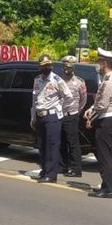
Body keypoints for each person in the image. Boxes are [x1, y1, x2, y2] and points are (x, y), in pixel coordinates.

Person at [84, 48, 112, 199]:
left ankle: (109, 189)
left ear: (104, 63)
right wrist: (90, 108)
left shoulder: (109, 81)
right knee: (105, 155)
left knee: (104, 155)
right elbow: (99, 102)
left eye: (99, 62)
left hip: (106, 120)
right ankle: (107, 186)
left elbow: (103, 105)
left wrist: (91, 117)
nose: (97, 64)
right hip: (106, 119)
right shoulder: (106, 79)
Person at [30, 54, 72, 183]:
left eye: (48, 65)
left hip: (52, 116)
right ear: (39, 67)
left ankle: (52, 174)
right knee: (42, 145)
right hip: (40, 115)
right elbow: (34, 100)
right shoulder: (37, 80)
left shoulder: (57, 80)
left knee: (52, 146)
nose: (46, 68)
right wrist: (33, 117)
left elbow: (68, 97)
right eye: (43, 66)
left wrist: (60, 110)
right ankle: (44, 171)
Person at [59, 55, 87, 177]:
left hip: (72, 115)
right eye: (65, 67)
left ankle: (76, 169)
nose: (67, 70)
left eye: (69, 67)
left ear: (74, 68)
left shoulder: (79, 83)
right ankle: (63, 166)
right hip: (60, 115)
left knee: (73, 143)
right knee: (61, 142)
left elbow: (83, 100)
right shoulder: (58, 81)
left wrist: (76, 111)